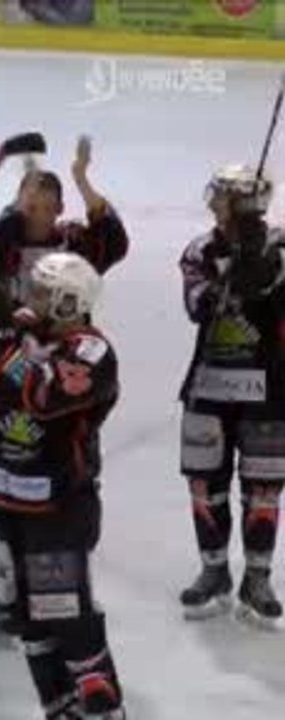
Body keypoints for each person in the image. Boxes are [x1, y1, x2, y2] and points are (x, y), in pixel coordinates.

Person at [0, 252, 126, 719]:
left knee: (65, 613)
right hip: (5, 501)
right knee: (26, 620)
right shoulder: (22, 331)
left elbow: (45, 396)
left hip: (58, 507)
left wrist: (7, 332)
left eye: (43, 293)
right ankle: (61, 710)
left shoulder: (91, 352)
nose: (31, 298)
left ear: (70, 301)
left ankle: (105, 711)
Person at [0, 135, 128, 635]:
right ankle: (5, 581)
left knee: (64, 462)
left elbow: (114, 242)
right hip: (9, 363)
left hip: (58, 369)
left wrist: (81, 180)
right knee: (3, 473)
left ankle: (61, 571)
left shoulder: (72, 244)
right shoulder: (3, 238)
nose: (34, 209)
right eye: (26, 201)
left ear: (59, 208)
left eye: (43, 202)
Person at [177, 164, 283, 624]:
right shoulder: (201, 250)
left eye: (223, 198)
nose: (215, 206)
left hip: (268, 390)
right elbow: (197, 305)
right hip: (209, 387)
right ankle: (214, 570)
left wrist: (261, 268)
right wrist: (229, 276)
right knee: (205, 485)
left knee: (264, 489)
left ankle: (257, 576)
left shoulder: (280, 246)